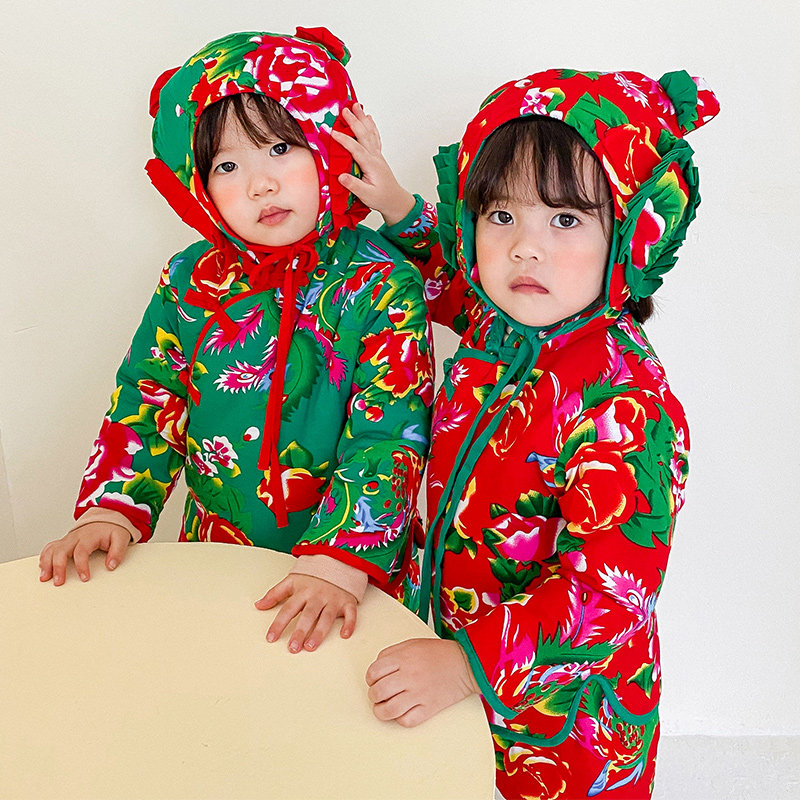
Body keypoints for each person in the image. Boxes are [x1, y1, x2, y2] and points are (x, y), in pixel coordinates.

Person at [337, 70, 718, 797]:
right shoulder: (498, 325)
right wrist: (396, 205)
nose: (523, 249)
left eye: (565, 220)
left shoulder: (625, 402)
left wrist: (465, 666)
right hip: (453, 675)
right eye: (501, 215)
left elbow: (611, 596)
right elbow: (449, 275)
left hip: (568, 728)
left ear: (631, 236)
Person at [38, 27, 433, 655]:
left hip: (352, 580)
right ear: (198, 183)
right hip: (217, 560)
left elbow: (390, 432)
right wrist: (114, 505)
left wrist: (341, 558)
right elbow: (149, 395)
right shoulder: (189, 279)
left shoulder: (382, 283)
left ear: (330, 144)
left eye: (281, 147)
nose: (260, 184)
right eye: (227, 165)